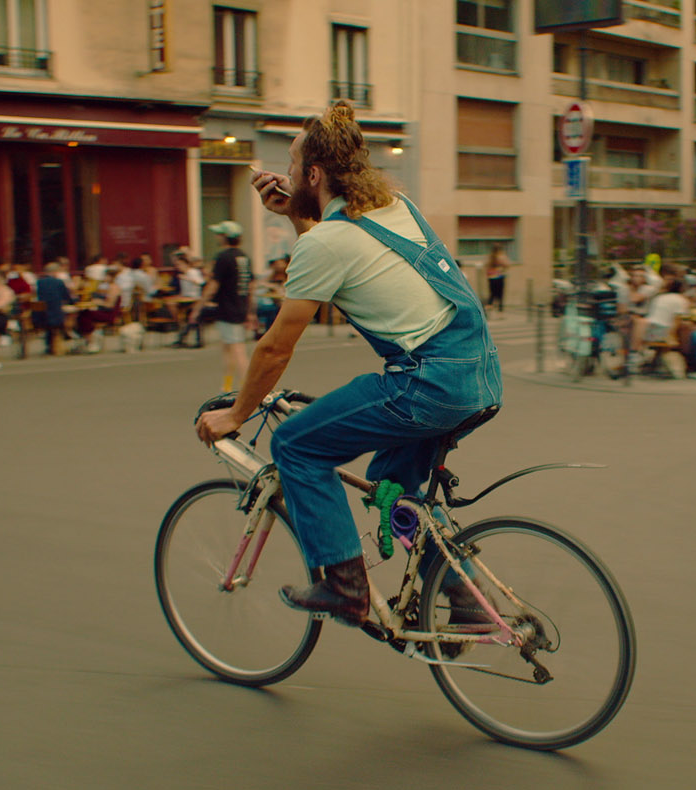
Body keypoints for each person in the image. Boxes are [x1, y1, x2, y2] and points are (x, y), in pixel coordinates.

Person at [194, 101, 502, 625]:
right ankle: (467, 598)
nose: (287, 175)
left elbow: (275, 347)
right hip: (478, 378)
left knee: (294, 445)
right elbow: (335, 253)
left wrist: (236, 414)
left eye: (293, 166)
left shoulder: (327, 242)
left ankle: (345, 586)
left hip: (425, 386)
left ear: (313, 175)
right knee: (391, 491)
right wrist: (298, 215)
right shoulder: (398, 206)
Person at [191, 220, 256, 392]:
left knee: (237, 349)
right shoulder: (244, 257)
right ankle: (227, 386)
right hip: (240, 305)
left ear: (225, 237)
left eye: (219, 234)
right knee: (228, 348)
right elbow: (251, 285)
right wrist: (250, 311)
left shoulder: (223, 257)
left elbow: (213, 285)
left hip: (227, 307)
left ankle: (247, 388)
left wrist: (199, 306)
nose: (217, 237)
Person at [33, 262, 74, 354]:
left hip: (42, 314)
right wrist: (73, 302)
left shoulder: (39, 282)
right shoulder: (59, 282)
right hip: (56, 314)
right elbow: (66, 296)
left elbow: (36, 297)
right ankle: (66, 338)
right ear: (55, 272)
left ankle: (49, 345)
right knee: (69, 317)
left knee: (49, 324)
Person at [483, 243, 510, 314]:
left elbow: (486, 266)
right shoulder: (501, 256)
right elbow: (507, 265)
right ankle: (500, 309)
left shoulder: (490, 257)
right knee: (500, 293)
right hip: (499, 276)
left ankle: (489, 307)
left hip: (491, 277)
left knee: (492, 293)